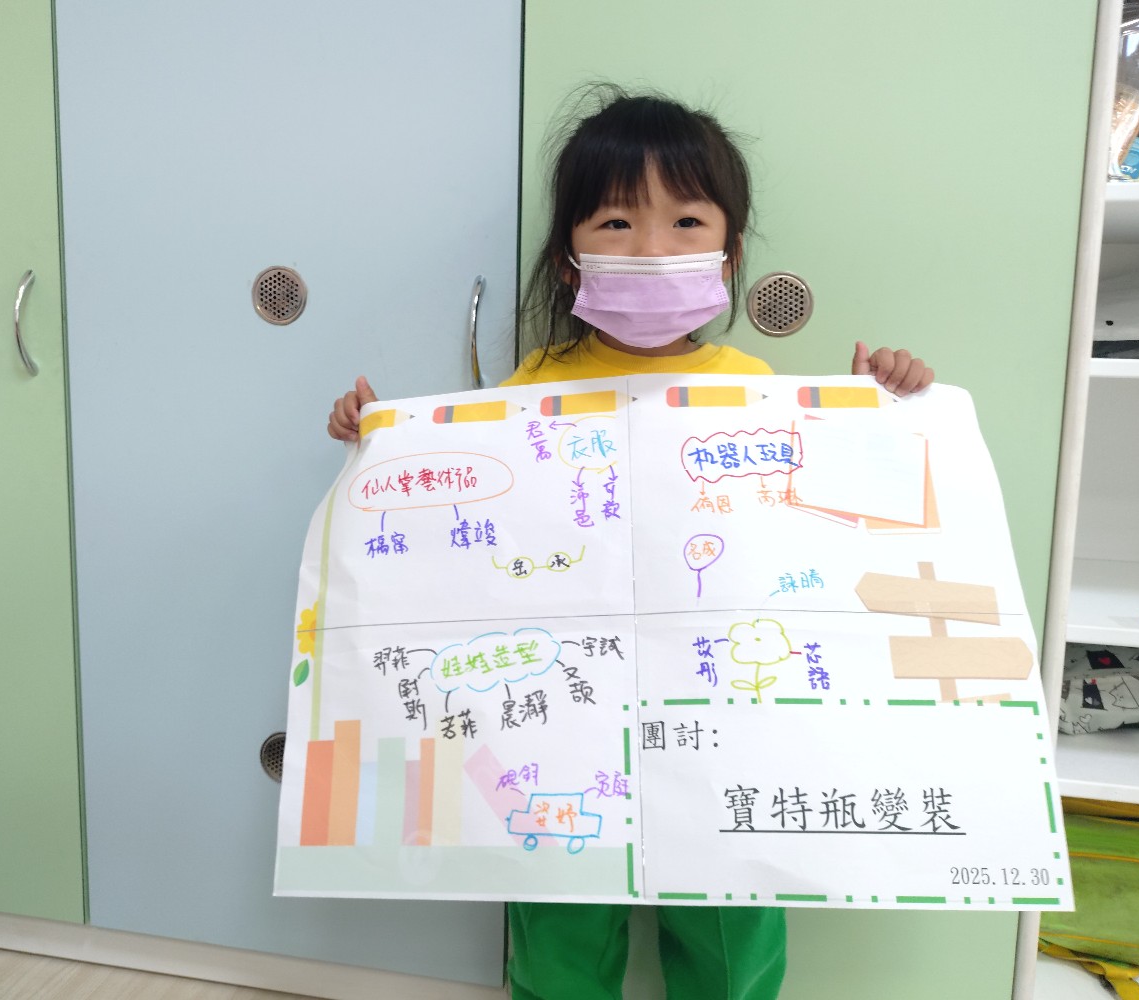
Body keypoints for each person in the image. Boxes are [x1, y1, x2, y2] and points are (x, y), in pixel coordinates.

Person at [327, 86, 933, 1000]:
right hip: (565, 715)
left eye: (684, 221)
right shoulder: (532, 387)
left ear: (728, 255)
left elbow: (816, 537)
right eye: (616, 221)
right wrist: (381, 443)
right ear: (569, 261)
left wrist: (871, 414)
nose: (651, 249)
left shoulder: (754, 385)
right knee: (557, 917)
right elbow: (477, 532)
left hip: (721, 711)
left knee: (731, 923)